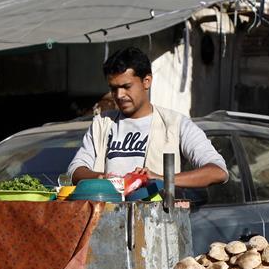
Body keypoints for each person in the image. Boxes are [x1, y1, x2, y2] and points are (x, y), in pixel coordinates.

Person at [67, 46, 228, 188]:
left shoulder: (175, 124)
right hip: (108, 212)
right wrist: (101, 178)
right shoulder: (102, 123)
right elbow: (75, 170)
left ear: (147, 81)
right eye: (114, 88)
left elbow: (218, 171)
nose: (119, 95)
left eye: (126, 86)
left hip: (158, 213)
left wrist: (161, 179)